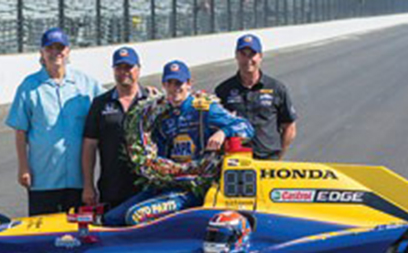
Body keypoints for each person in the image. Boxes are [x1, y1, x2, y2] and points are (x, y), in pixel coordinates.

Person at [104, 60, 254, 226]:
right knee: (112, 218)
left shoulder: (203, 108)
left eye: (178, 83)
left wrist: (222, 132)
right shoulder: (160, 115)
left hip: (194, 187)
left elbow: (246, 127)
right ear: (163, 85)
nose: (174, 89)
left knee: (137, 215)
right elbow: (153, 151)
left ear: (189, 84)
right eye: (169, 83)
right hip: (167, 184)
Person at [5, 27, 102, 216]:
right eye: (50, 48)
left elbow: (110, 102)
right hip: (43, 177)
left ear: (68, 52)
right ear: (42, 52)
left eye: (60, 48)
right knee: (42, 232)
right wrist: (23, 167)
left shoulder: (86, 83)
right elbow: (20, 131)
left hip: (78, 178)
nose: (56, 53)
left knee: (78, 233)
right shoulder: (29, 87)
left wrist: (144, 93)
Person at [81, 47, 148, 210]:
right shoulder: (100, 103)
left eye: (128, 67)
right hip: (112, 189)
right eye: (119, 68)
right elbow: (89, 146)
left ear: (138, 69)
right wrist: (88, 185)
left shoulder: (152, 101)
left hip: (147, 189)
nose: (124, 72)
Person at [214, 34, 297, 160]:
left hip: (268, 159)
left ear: (260, 57)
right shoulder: (223, 90)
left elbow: (289, 127)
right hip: (236, 159)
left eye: (252, 54)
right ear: (236, 56)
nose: (248, 59)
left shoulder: (277, 88)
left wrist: (279, 156)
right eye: (243, 54)